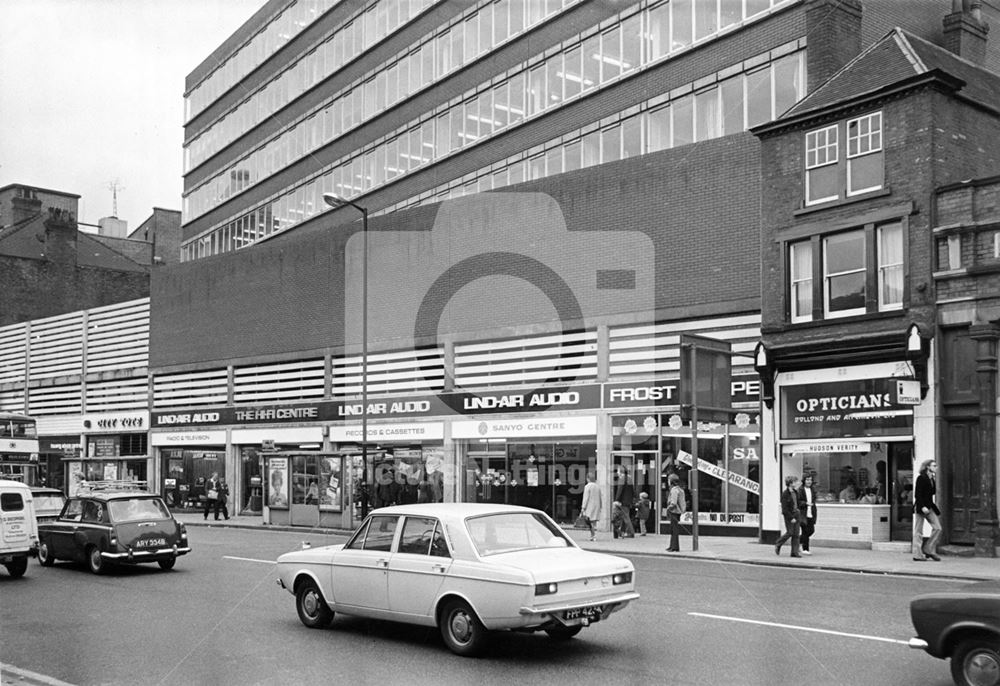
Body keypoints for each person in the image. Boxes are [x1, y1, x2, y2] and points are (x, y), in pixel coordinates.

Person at [912, 459, 942, 562]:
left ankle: (928, 549)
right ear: (928, 467)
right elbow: (918, 494)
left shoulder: (932, 478)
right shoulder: (921, 478)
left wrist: (933, 508)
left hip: (929, 507)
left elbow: (931, 495)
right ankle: (917, 554)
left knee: (937, 528)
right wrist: (922, 506)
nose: (936, 467)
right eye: (934, 465)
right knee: (918, 531)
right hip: (921, 507)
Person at [775, 475, 802, 557]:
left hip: (797, 513)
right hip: (789, 515)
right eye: (795, 482)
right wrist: (791, 518)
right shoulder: (785, 494)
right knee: (790, 532)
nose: (797, 483)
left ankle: (794, 552)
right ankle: (778, 543)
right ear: (790, 483)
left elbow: (797, 503)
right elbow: (784, 509)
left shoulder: (795, 492)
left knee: (796, 534)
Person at [665, 473, 686, 552]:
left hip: (674, 511)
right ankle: (673, 546)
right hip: (678, 512)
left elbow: (673, 502)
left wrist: (668, 508)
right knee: (674, 529)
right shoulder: (680, 489)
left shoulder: (674, 490)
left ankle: (674, 547)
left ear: (671, 481)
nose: (668, 482)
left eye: (668, 480)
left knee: (674, 530)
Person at [580, 472, 603, 542]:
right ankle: (593, 535)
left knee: (590, 522)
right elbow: (600, 497)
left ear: (588, 479)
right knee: (594, 522)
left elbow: (585, 498)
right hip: (597, 506)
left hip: (590, 507)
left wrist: (583, 507)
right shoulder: (597, 486)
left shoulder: (587, 486)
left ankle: (593, 536)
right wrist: (601, 506)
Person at [798, 474, 818, 555]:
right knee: (805, 531)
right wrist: (806, 503)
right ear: (804, 481)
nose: (809, 481)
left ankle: (798, 542)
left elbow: (814, 500)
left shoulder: (812, 490)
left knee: (811, 530)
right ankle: (805, 549)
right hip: (803, 514)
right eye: (807, 480)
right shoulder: (800, 490)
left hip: (811, 513)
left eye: (810, 480)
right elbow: (798, 501)